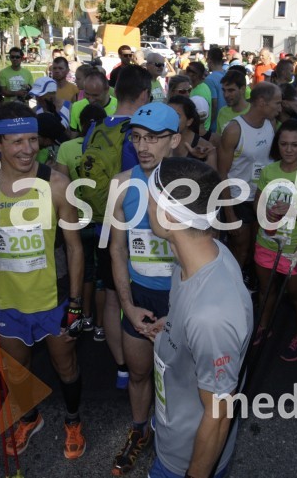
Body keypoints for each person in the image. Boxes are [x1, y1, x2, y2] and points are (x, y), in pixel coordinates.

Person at [0, 102, 86, 460]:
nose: (27, 149)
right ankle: (30, 417)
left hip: (52, 298)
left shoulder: (56, 183)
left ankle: (73, 420)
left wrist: (75, 303)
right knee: (16, 370)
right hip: (8, 298)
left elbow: (74, 248)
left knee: (65, 366)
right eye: (16, 142)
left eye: (32, 140)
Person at [146, 157, 252, 478]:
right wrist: (172, 329)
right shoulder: (199, 256)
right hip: (173, 430)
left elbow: (218, 415)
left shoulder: (211, 316)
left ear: (166, 214)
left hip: (185, 462)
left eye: (151, 201)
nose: (146, 209)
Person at [109, 103, 181, 475]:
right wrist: (128, 304)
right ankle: (139, 430)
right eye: (137, 137)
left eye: (153, 138)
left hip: (180, 301)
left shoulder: (195, 187)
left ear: (175, 141)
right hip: (138, 298)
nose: (143, 146)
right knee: (138, 373)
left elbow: (206, 259)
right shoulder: (121, 185)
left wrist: (179, 312)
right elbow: (118, 250)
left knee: (178, 378)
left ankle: (176, 440)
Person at [82, 65, 151, 389]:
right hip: (132, 229)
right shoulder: (137, 134)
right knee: (136, 297)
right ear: (144, 95)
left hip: (99, 224)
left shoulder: (95, 128)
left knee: (111, 298)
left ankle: (122, 367)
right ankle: (141, 364)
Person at [252, 119, 297, 361]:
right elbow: (258, 203)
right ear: (277, 146)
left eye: (295, 144)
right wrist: (266, 213)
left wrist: (294, 212)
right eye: (284, 144)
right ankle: (264, 327)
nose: (289, 149)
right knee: (266, 290)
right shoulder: (269, 171)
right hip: (266, 243)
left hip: (295, 249)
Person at [218, 82, 281, 278]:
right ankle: (231, 288)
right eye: (277, 103)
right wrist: (229, 213)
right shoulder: (234, 130)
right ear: (262, 102)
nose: (280, 108)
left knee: (258, 248)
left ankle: (250, 287)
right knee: (240, 250)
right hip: (239, 199)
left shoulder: (270, 124)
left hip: (262, 197)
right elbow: (222, 173)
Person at [56, 104, 107, 340]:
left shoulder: (66, 147)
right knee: (102, 275)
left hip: (76, 217)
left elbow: (61, 187)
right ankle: (99, 324)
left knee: (83, 269)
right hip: (104, 219)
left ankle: (84, 316)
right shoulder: (109, 147)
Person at [168, 95, 217, 169]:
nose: (170, 119)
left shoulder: (206, 149)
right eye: (168, 114)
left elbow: (213, 178)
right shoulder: (162, 141)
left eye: (177, 116)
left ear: (189, 121)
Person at [69, 69, 117, 133]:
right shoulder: (76, 107)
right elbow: (73, 137)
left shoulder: (119, 107)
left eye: (95, 95)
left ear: (107, 90)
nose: (91, 100)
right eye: (87, 94)